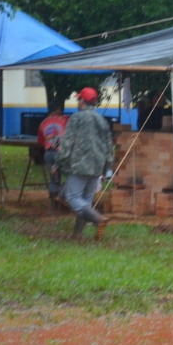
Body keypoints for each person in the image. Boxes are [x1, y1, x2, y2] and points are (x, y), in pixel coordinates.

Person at [54, 87, 115, 240]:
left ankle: (98, 219)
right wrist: (107, 168)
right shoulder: (102, 120)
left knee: (72, 197)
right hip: (97, 167)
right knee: (85, 202)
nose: (77, 102)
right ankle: (77, 234)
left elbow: (67, 143)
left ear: (82, 101)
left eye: (79, 99)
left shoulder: (76, 118)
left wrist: (58, 163)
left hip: (79, 166)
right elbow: (109, 146)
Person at [37, 100, 68, 212]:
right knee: (71, 177)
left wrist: (51, 141)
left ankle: (54, 207)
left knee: (54, 179)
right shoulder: (65, 119)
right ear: (58, 109)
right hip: (62, 153)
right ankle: (63, 197)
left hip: (49, 153)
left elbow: (40, 141)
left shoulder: (43, 123)